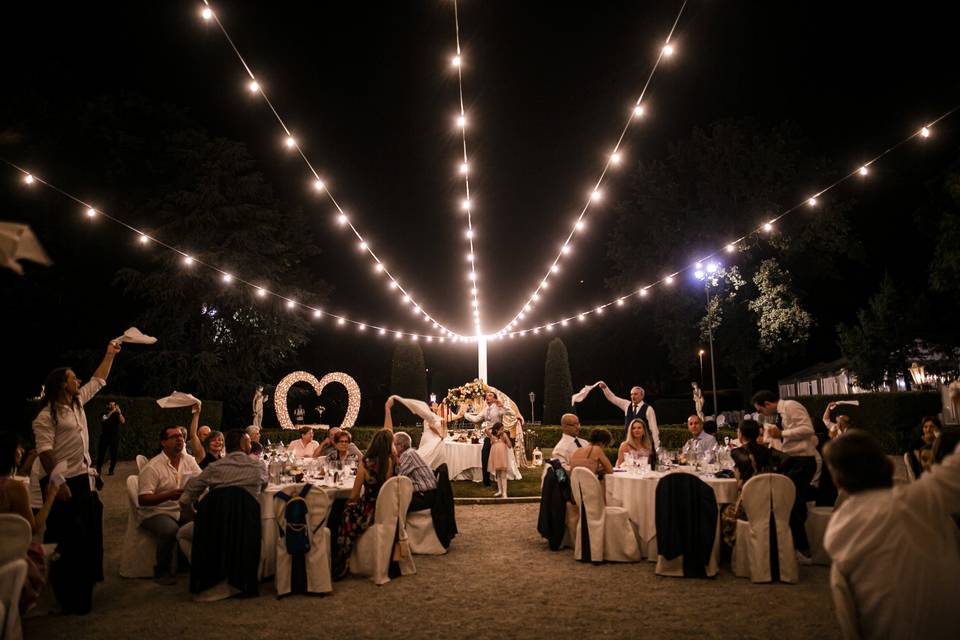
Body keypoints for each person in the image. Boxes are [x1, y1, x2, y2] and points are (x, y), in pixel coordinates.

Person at [823, 430, 960, 639]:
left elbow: (850, 622)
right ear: (888, 465)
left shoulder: (838, 533)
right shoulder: (927, 498)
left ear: (838, 483)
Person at [32, 340, 120, 615]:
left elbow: (99, 379)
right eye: (73, 378)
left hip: (84, 479)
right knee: (67, 540)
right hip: (62, 482)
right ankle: (67, 596)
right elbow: (45, 452)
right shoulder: (46, 417)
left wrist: (109, 354)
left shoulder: (78, 403)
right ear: (61, 384)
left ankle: (84, 592)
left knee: (89, 538)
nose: (78, 380)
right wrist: (59, 484)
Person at [752, 390, 821, 564]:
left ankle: (803, 549)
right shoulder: (783, 412)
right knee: (793, 502)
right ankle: (799, 546)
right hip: (795, 460)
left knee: (788, 501)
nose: (762, 414)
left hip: (803, 460)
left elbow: (808, 429)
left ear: (767, 403)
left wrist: (781, 434)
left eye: (760, 410)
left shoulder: (791, 406)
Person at [0, 431, 59, 610]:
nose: (22, 450)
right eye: (19, 447)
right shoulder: (13, 489)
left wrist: (24, 468)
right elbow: (33, 528)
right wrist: (51, 495)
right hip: (9, 559)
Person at [137, 425, 201, 584]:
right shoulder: (153, 467)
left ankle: (184, 564)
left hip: (179, 508)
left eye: (181, 436)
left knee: (200, 524)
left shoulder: (189, 460)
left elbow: (201, 480)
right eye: (174, 437)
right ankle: (161, 571)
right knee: (170, 529)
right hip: (155, 512)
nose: (179, 439)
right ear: (163, 442)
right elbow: (143, 499)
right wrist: (168, 495)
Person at [332, 429, 395, 580]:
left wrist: (347, 503)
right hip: (383, 509)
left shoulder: (366, 464)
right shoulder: (389, 462)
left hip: (368, 511)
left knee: (342, 514)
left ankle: (340, 561)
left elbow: (354, 495)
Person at [720, 420, 790, 552]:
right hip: (771, 501)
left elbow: (739, 481)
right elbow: (786, 458)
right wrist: (774, 472)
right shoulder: (768, 451)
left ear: (740, 434)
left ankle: (733, 550)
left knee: (722, 509)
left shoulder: (737, 452)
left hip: (747, 505)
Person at [178, 429, 268, 510]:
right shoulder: (259, 466)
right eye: (249, 443)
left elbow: (185, 498)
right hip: (248, 523)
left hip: (217, 524)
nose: (251, 446)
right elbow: (264, 486)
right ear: (242, 446)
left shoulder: (213, 468)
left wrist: (195, 516)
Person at [460, 391, 515, 487]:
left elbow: (512, 413)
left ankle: (500, 480)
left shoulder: (499, 408)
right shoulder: (485, 410)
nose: (487, 397)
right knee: (484, 454)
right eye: (486, 396)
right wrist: (464, 414)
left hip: (498, 436)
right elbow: (476, 419)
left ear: (494, 398)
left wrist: (503, 406)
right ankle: (486, 481)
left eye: (490, 395)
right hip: (488, 435)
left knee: (498, 457)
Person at [598, 382, 661, 450]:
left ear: (642, 396)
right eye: (631, 394)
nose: (633, 396)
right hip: (628, 443)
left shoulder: (649, 409)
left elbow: (654, 430)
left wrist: (656, 447)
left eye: (635, 394)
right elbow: (613, 398)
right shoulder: (627, 405)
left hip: (642, 444)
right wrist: (605, 388)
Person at [394, 431, 437, 511]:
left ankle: (398, 523)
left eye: (393, 445)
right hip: (427, 494)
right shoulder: (410, 453)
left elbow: (397, 478)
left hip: (424, 497)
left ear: (401, 446)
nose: (391, 448)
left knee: (393, 504)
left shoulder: (408, 454)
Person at [95, 400, 125, 476]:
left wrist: (120, 412)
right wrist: (113, 411)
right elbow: (105, 419)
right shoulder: (103, 414)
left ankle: (111, 470)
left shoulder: (117, 414)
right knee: (101, 453)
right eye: (110, 405)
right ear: (107, 406)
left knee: (114, 454)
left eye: (113, 405)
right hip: (104, 437)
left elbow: (123, 421)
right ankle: (98, 470)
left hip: (114, 437)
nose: (112, 406)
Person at [487, 423, 513, 498]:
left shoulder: (504, 436)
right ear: (496, 429)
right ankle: (500, 491)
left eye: (503, 428)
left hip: (502, 456)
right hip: (495, 456)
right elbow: (486, 430)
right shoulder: (492, 436)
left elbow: (509, 446)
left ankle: (504, 493)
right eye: (501, 429)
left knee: (503, 474)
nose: (503, 430)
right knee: (498, 474)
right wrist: (493, 426)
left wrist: (505, 435)